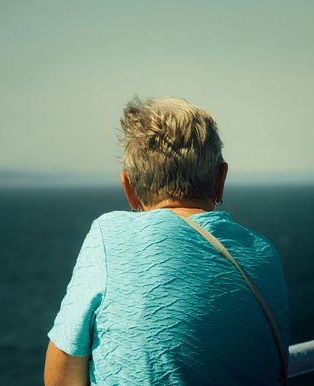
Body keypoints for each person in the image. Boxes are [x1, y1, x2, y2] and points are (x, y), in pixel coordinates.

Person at [44, 96, 289, 385]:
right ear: (221, 178)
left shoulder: (109, 234)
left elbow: (61, 374)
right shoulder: (264, 253)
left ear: (129, 188)